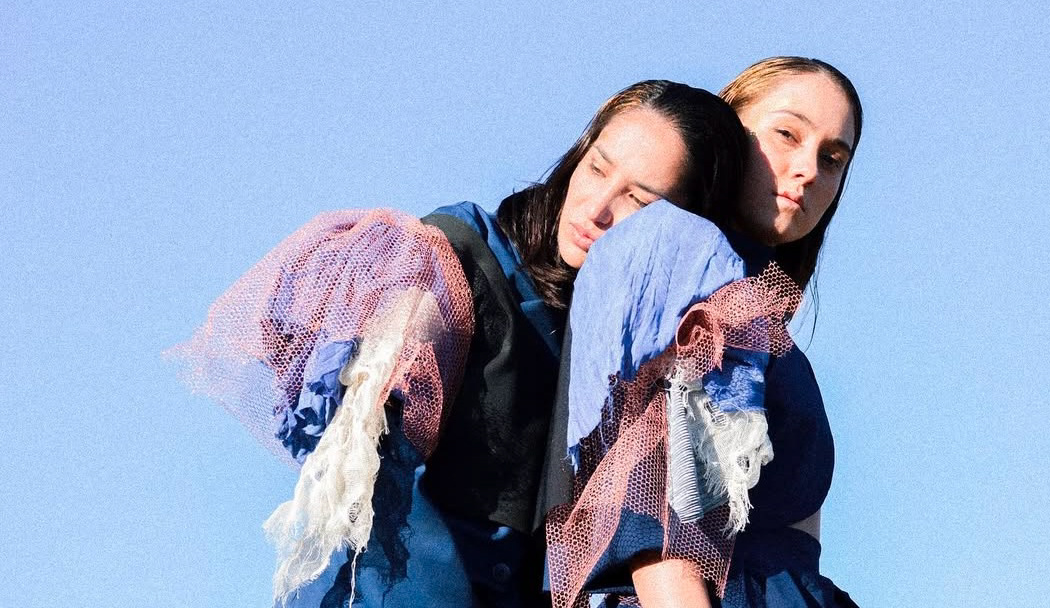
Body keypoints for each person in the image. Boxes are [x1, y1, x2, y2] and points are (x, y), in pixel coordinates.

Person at [168, 79, 749, 608]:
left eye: (639, 201)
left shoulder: (631, 355)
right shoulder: (456, 254)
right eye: (597, 169)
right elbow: (381, 449)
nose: (598, 210)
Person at [544, 57, 863, 608]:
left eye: (832, 158)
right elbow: (655, 529)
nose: (808, 168)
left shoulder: (763, 322)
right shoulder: (677, 261)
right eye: (787, 135)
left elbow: (799, 546)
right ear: (728, 129)